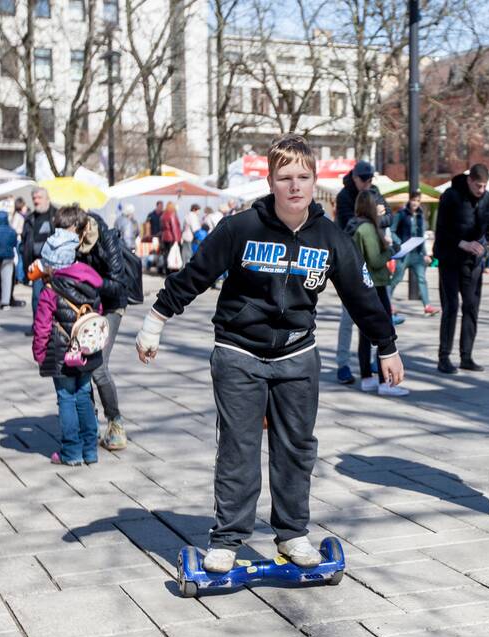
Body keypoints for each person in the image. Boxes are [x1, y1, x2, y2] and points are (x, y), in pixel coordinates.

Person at [134, 134, 404, 572]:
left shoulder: (330, 238)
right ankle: (227, 538)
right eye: (285, 178)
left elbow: (362, 295)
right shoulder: (242, 228)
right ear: (271, 182)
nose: (295, 186)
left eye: (303, 177)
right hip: (238, 351)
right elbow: (196, 274)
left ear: (314, 181)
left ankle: (293, 534)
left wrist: (387, 346)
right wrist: (154, 322)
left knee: (296, 448)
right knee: (239, 448)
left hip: (298, 354)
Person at [32, 207, 104, 465]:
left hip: (60, 352)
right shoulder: (90, 282)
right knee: (84, 395)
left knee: (66, 398)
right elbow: (97, 313)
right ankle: (90, 450)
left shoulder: (50, 290)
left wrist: (39, 353)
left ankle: (71, 452)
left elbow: (41, 327)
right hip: (86, 350)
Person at [333, 160, 391, 384]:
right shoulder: (344, 196)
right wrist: (374, 216)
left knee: (375, 317)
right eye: (364, 180)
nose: (368, 184)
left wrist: (375, 216)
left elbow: (389, 217)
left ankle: (372, 363)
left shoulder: (374, 192)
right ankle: (343, 363)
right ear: (355, 178)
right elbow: (351, 224)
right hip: (350, 264)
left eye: (370, 180)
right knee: (349, 319)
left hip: (373, 270)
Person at [434, 163, 489, 374]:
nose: (481, 190)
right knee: (451, 307)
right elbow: (441, 231)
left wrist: (486, 247)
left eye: (485, 186)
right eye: (478, 185)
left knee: (471, 307)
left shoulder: (488, 200)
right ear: (470, 181)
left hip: (473, 263)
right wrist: (462, 243)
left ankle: (466, 356)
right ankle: (444, 357)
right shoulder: (451, 196)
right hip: (450, 259)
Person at [78, 213, 128, 450]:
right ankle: (89, 424)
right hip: (85, 306)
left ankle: (115, 423)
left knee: (98, 367)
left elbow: (118, 283)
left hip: (111, 305)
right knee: (80, 365)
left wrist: (91, 281)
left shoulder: (107, 239)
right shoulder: (73, 242)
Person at [352, 190, 409, 397]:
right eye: (379, 205)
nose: (383, 208)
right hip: (376, 284)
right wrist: (390, 250)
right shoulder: (367, 228)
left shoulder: (356, 225)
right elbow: (375, 261)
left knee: (365, 336)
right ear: (370, 206)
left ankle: (367, 377)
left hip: (363, 285)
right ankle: (386, 382)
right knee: (383, 331)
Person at [388, 190, 438, 317]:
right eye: (413, 200)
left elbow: (421, 235)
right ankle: (386, 303)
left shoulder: (421, 215)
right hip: (404, 252)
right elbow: (392, 231)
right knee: (396, 279)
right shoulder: (401, 214)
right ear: (409, 200)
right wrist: (398, 242)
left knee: (422, 279)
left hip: (417, 254)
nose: (415, 203)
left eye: (418, 200)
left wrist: (425, 253)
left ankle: (427, 306)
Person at [22, 188, 55, 326]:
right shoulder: (30, 219)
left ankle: (53, 326)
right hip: (37, 264)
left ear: (47, 198)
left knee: (54, 296)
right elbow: (25, 240)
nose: (36, 201)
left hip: (54, 263)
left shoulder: (56, 215)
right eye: (34, 198)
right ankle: (38, 326)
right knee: (37, 297)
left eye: (39, 197)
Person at [159, 202, 181, 275]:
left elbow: (161, 228)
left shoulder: (162, 215)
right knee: (173, 254)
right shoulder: (172, 215)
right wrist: (177, 239)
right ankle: (173, 272)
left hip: (164, 237)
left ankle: (167, 271)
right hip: (171, 237)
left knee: (166, 255)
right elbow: (174, 228)